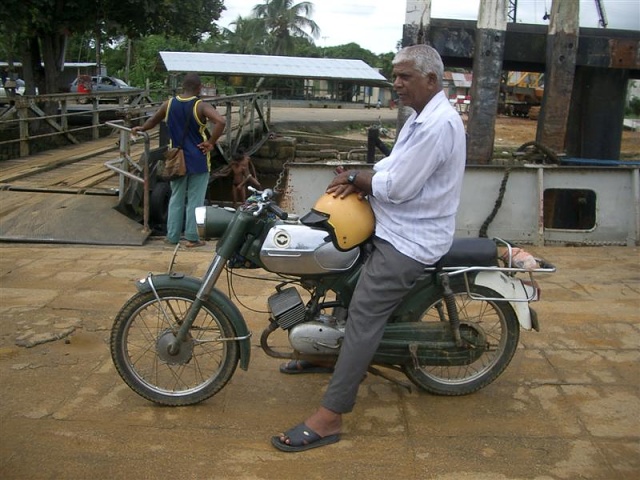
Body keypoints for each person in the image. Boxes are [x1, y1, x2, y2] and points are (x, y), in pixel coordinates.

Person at [271, 44, 467, 452]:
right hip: (390, 225)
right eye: (394, 75)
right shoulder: (419, 118)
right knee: (335, 277)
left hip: (410, 239)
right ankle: (327, 355)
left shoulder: (437, 126)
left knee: (363, 313)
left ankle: (330, 416)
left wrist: (359, 178)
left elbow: (398, 187)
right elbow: (392, 169)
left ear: (431, 79)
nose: (396, 83)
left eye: (404, 76)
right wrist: (356, 177)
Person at [132, 73, 226, 247]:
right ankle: (191, 238)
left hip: (176, 159)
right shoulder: (201, 106)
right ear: (199, 88)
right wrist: (210, 142)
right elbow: (220, 121)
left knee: (176, 198)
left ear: (183, 86)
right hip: (197, 158)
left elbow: (153, 120)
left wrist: (141, 128)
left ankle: (172, 236)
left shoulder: (168, 104)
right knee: (195, 201)